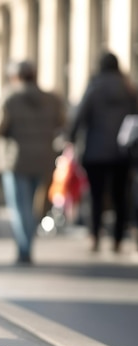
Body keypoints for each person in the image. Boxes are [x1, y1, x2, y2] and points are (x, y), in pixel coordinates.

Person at [0, 60, 65, 265]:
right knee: (35, 205)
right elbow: (62, 122)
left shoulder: (9, 97)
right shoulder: (51, 99)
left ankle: (24, 248)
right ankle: (28, 242)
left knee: (20, 206)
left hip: (15, 159)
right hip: (43, 158)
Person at [67, 51, 136, 253]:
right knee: (120, 196)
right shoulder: (129, 89)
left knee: (96, 196)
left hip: (95, 151)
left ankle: (95, 235)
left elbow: (80, 115)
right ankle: (117, 239)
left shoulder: (94, 87)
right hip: (123, 151)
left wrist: (70, 137)